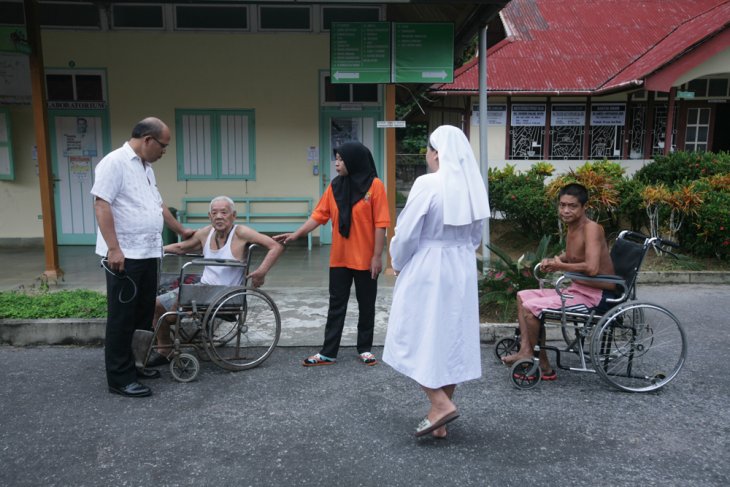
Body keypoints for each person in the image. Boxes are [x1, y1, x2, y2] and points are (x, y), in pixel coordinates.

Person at [383, 125, 490, 439]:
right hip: (461, 266)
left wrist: (398, 262)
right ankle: (439, 414)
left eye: (428, 151)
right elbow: (475, 237)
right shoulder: (473, 186)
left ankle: (439, 404)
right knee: (450, 336)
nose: (427, 156)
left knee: (413, 334)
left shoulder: (428, 183)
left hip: (430, 265)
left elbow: (407, 233)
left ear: (436, 152)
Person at [92, 117, 195, 398]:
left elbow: (157, 205)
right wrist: (114, 248)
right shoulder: (114, 163)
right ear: (148, 140)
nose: (164, 152)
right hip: (126, 255)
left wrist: (182, 230)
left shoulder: (147, 168)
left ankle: (136, 364)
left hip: (149, 252)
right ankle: (120, 378)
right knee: (122, 317)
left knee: (142, 314)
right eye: (163, 146)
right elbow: (102, 204)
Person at [274, 141, 390, 367]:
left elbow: (381, 224)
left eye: (341, 159)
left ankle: (365, 348)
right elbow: (319, 216)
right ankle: (328, 352)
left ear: (354, 160)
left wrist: (377, 256)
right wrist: (296, 234)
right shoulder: (335, 186)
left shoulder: (375, 186)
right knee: (337, 304)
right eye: (336, 158)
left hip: (366, 258)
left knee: (367, 304)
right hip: (340, 258)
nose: (336, 163)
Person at [149, 195, 285, 363]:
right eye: (215, 213)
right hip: (202, 289)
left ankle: (170, 337)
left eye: (224, 212)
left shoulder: (241, 232)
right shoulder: (206, 232)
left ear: (233, 215)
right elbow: (180, 247)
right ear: (210, 216)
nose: (219, 216)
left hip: (226, 295)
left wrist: (261, 271)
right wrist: (153, 251)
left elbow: (276, 245)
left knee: (169, 312)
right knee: (154, 304)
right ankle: (165, 350)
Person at [501, 183, 615, 380]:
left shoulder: (592, 229)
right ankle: (530, 353)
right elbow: (574, 254)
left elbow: (592, 268)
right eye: (562, 205)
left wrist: (560, 266)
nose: (566, 210)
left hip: (597, 296)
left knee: (531, 307)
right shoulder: (572, 227)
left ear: (583, 208)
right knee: (522, 296)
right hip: (578, 289)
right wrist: (556, 259)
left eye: (572, 206)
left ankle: (534, 358)